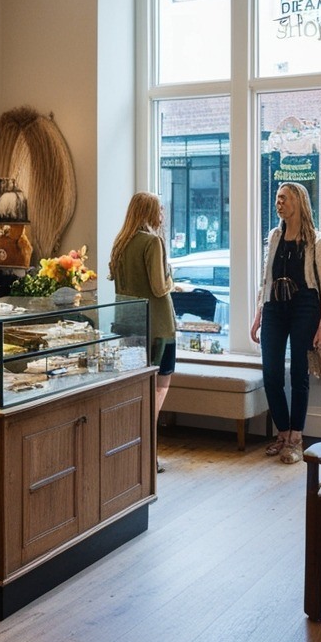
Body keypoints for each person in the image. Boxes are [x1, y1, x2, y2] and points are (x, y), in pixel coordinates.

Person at [250, 182, 321, 465]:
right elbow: (266, 278)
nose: (279, 203)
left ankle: (296, 438)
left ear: (298, 201)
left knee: (299, 372)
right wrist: (258, 314)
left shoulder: (317, 241)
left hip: (305, 306)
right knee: (271, 373)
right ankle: (282, 432)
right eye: (277, 199)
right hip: (274, 306)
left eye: (284, 198)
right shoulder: (275, 236)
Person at [109, 191, 176, 471]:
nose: (162, 215)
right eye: (159, 210)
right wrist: (173, 278)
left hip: (126, 325)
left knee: (134, 391)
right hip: (158, 326)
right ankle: (149, 455)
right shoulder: (152, 242)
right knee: (157, 391)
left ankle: (129, 453)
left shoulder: (120, 242)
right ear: (149, 212)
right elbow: (159, 288)